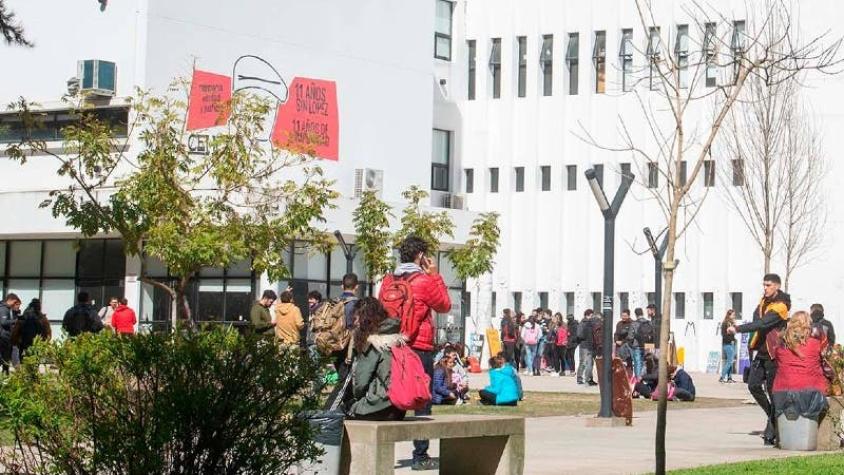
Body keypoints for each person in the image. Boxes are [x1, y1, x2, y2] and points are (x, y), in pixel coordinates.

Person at [379, 235, 451, 471]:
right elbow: (444, 305)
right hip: (419, 347)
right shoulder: (422, 280)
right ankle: (420, 455)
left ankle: (384, 451)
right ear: (421, 256)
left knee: (394, 397)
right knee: (421, 399)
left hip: (394, 345)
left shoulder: (389, 280)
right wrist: (435, 275)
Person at [733, 273, 791, 446]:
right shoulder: (763, 302)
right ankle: (772, 416)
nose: (765, 288)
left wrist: (737, 328)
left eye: (769, 285)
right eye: (764, 285)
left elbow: (762, 323)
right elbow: (757, 319)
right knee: (753, 385)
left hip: (774, 354)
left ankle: (772, 427)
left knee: (773, 392)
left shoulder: (781, 306)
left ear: (777, 286)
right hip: (761, 352)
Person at [346, 297, 406, 421]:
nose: (355, 323)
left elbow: (360, 383)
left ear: (365, 319)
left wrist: (355, 399)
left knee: (341, 412)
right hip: (399, 407)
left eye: (356, 318)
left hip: (378, 406)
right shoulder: (396, 339)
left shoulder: (374, 343)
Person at [769, 310, 829, 426]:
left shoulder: (780, 342)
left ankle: (777, 435)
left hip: (782, 391)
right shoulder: (816, 341)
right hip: (812, 391)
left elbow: (777, 361)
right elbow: (826, 357)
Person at [11, 298, 51, 363]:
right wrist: (45, 342)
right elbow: (48, 332)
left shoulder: (24, 316)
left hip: (23, 344)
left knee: (24, 362)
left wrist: (15, 342)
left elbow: (15, 332)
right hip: (37, 344)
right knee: (35, 361)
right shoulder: (42, 318)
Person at [0, 293, 22, 374]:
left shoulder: (9, 309)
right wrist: (16, 321)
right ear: (10, 300)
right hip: (4, 338)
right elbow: (3, 322)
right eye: (15, 303)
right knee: (5, 359)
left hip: (8, 338)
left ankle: (5, 376)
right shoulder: (3, 309)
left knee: (6, 360)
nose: (15, 305)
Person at [576, 309, 598, 386]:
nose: (593, 317)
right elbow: (579, 335)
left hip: (591, 345)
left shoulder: (592, 324)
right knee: (583, 362)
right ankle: (580, 378)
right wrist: (586, 335)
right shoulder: (583, 323)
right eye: (592, 316)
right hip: (584, 345)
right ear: (588, 315)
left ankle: (589, 379)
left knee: (590, 363)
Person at [632, 307, 653, 378]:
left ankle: (638, 380)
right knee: (647, 362)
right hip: (648, 345)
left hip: (637, 345)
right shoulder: (649, 322)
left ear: (635, 314)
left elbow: (630, 336)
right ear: (642, 313)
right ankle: (645, 378)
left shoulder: (634, 324)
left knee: (638, 363)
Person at [720, 309, 738, 383]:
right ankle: (722, 377)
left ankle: (729, 378)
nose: (734, 316)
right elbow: (724, 335)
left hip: (732, 343)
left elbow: (735, 332)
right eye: (733, 315)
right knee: (729, 361)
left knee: (731, 361)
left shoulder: (731, 323)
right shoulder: (725, 324)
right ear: (729, 315)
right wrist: (730, 339)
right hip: (727, 344)